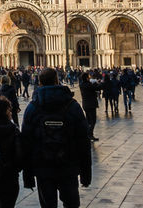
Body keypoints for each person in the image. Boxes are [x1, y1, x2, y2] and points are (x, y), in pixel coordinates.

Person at [21, 68, 92, 208]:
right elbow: (83, 141)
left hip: (43, 168)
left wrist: (28, 176)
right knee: (72, 204)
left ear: (39, 82)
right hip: (68, 166)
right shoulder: (73, 106)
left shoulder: (32, 108)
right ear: (57, 80)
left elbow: (26, 144)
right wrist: (86, 173)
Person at [78, 72, 101, 142]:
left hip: (85, 104)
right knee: (93, 120)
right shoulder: (89, 85)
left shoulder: (81, 85)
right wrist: (98, 83)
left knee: (88, 120)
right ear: (87, 78)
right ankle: (90, 134)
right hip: (91, 104)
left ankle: (86, 134)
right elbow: (97, 88)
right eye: (88, 76)